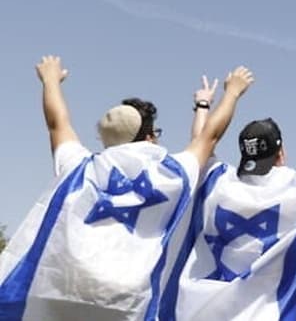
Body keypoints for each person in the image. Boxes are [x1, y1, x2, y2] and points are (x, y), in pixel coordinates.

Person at [0, 56, 253, 320]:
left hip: (64, 286)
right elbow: (208, 137)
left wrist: (50, 80)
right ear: (148, 136)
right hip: (127, 296)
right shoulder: (170, 174)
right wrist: (231, 93)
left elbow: (56, 122)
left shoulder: (79, 167)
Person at [162, 94, 296, 320]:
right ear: (280, 154)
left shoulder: (216, 181)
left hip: (201, 311)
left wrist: (203, 106)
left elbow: (201, 142)